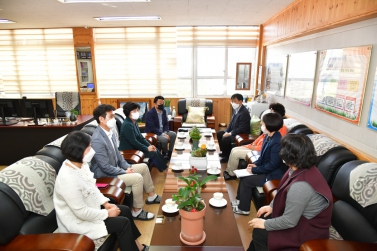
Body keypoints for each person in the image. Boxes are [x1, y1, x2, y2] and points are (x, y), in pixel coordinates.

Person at [54, 131, 149, 251]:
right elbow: (81, 213)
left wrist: (106, 204)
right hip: (78, 223)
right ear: (79, 151)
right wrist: (107, 213)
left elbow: (93, 187)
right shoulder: (68, 179)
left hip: (91, 210)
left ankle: (138, 247)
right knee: (122, 224)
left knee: (124, 210)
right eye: (89, 147)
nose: (92, 150)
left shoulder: (81, 165)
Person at [247, 134, 333, 251]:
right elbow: (283, 188)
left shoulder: (301, 186)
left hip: (307, 230)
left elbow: (289, 221)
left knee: (260, 233)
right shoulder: (298, 167)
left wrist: (265, 224)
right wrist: (271, 206)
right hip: (298, 217)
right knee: (264, 217)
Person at [90, 104, 160, 221]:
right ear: (101, 119)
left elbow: (118, 155)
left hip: (116, 169)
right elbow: (104, 166)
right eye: (111, 116)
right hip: (106, 176)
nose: (113, 119)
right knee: (137, 178)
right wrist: (124, 171)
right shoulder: (97, 139)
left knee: (143, 167)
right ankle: (137, 211)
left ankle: (152, 196)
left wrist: (127, 167)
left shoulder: (109, 132)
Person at [232, 112, 287, 215]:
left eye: (263, 123)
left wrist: (254, 170)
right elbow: (262, 156)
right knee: (243, 176)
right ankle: (240, 201)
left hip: (273, 174)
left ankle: (244, 209)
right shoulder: (268, 136)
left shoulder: (277, 141)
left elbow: (273, 164)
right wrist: (255, 164)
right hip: (266, 168)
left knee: (247, 181)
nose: (262, 125)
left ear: (269, 125)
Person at [223, 103, 288, 180]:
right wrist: (252, 144)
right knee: (234, 149)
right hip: (255, 147)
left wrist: (254, 147)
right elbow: (262, 138)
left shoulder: (279, 130)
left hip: (258, 150)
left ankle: (231, 174)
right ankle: (229, 171)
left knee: (236, 153)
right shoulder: (269, 131)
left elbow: (271, 150)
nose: (269, 111)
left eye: (271, 110)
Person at [119, 102, 168, 172]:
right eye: (134, 111)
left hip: (135, 147)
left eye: (137, 110)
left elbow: (140, 137)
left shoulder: (134, 122)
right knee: (152, 153)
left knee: (155, 149)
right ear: (128, 112)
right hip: (129, 149)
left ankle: (165, 167)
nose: (137, 112)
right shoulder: (127, 124)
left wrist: (150, 145)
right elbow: (134, 142)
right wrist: (147, 149)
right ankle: (164, 170)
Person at [217, 93, 251, 163]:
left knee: (225, 139)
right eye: (232, 101)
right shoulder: (236, 109)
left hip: (241, 134)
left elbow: (242, 128)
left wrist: (229, 133)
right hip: (234, 131)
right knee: (219, 133)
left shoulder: (244, 112)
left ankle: (227, 157)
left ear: (241, 101)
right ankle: (224, 152)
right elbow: (231, 123)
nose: (233, 103)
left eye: (235, 101)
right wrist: (226, 131)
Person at [145, 95, 176, 160]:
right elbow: (152, 128)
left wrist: (165, 132)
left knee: (173, 134)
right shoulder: (150, 113)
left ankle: (170, 153)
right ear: (155, 104)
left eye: (163, 103)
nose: (162, 104)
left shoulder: (164, 111)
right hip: (154, 133)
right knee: (164, 139)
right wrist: (163, 134)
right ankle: (165, 153)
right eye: (160, 103)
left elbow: (166, 123)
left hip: (163, 131)